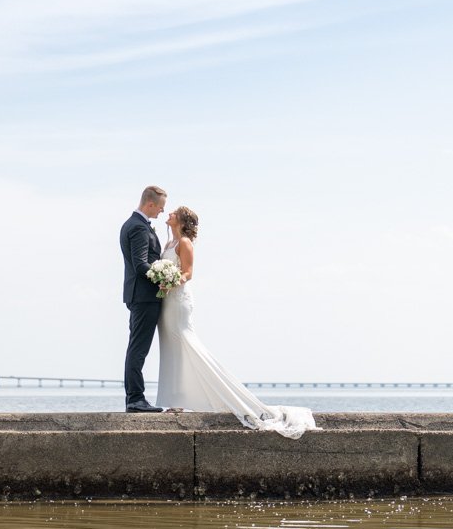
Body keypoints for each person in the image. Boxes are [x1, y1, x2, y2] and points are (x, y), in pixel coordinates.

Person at [156, 205, 315, 438]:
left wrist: (171, 281)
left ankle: (190, 399)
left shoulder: (185, 243)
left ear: (180, 221)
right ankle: (176, 398)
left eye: (173, 213)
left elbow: (188, 273)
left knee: (185, 345)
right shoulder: (168, 244)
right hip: (166, 302)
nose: (168, 214)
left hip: (178, 299)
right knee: (171, 347)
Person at [120, 185, 167, 412]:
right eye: (160, 208)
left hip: (138, 295)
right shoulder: (138, 228)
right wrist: (163, 278)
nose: (161, 212)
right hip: (144, 296)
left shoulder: (133, 224)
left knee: (136, 347)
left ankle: (134, 397)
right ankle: (136, 399)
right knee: (139, 349)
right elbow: (140, 264)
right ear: (150, 204)